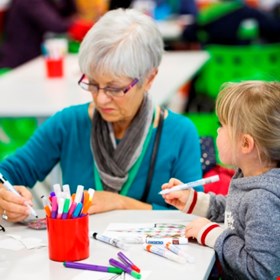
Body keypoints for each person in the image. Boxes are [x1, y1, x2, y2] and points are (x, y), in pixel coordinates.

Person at [0, 8, 203, 223]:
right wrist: (5, 196)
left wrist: (120, 203)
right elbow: (9, 172)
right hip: (80, 253)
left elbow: (192, 216)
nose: (101, 99)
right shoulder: (69, 124)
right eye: (93, 84)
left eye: (115, 88)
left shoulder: (179, 133)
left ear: (150, 78)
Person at [161, 81, 280, 279]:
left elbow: (259, 270)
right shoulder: (249, 176)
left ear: (245, 143)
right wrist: (194, 201)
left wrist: (212, 234)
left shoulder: (262, 199)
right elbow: (236, 213)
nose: (217, 131)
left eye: (221, 125)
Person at [0, 0, 77, 69]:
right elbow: (56, 26)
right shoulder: (30, 2)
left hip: (37, 59)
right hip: (20, 63)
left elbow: (71, 12)